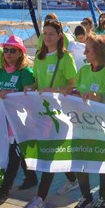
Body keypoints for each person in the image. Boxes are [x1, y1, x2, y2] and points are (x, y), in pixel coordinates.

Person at [32, 19, 79, 197]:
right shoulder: (39, 56)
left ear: (60, 36)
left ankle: (40, 197)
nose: (47, 37)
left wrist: (55, 90)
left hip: (59, 111)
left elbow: (73, 84)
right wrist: (30, 87)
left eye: (51, 34)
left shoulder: (65, 57)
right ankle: (72, 179)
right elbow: (37, 81)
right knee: (53, 148)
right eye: (45, 33)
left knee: (50, 151)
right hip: (42, 110)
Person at [0, 36, 37, 202]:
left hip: (20, 122)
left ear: (21, 53)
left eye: (13, 50)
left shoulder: (25, 72)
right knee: (18, 152)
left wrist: (10, 94)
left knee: (14, 154)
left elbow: (30, 95)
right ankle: (31, 177)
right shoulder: (0, 72)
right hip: (3, 120)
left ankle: (4, 189)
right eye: (6, 50)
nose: (8, 53)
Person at [72, 34, 105, 208]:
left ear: (99, 51)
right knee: (79, 160)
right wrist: (72, 94)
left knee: (103, 162)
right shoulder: (83, 70)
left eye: (88, 49)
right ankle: (86, 196)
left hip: (102, 127)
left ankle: (102, 197)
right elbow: (76, 90)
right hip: (81, 125)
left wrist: (99, 98)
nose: (84, 52)